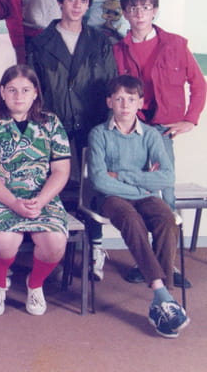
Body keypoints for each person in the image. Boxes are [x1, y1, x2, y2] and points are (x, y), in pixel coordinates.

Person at [113, 0, 206, 286]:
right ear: (125, 13)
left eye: (146, 7)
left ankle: (168, 263)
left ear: (154, 10)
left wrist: (190, 120)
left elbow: (199, 85)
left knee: (165, 194)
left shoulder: (176, 44)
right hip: (132, 129)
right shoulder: (118, 49)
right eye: (133, 8)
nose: (140, 14)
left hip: (164, 130)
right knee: (139, 194)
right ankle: (146, 262)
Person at [27, 0, 117, 280]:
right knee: (54, 187)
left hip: (92, 123)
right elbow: (34, 89)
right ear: (60, 2)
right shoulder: (40, 42)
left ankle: (95, 248)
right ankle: (54, 253)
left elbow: (110, 84)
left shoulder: (99, 41)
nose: (77, 6)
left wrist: (109, 125)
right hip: (54, 126)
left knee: (92, 187)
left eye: (84, 0)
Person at [88, 75, 188, 338]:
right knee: (131, 219)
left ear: (140, 103)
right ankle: (163, 295)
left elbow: (166, 177)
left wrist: (121, 176)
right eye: (119, 99)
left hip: (142, 195)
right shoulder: (99, 134)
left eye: (131, 99)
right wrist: (140, 185)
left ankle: (161, 302)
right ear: (109, 102)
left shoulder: (151, 135)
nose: (125, 105)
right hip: (111, 199)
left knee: (166, 218)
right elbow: (99, 180)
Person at [0, 64, 70, 316]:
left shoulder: (51, 123)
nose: (19, 96)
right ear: (2, 92)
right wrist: (13, 203)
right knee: (5, 243)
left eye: (25, 90)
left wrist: (41, 200)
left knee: (55, 244)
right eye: (12, 90)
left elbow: (61, 170)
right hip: (3, 196)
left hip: (44, 196)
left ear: (35, 92)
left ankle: (35, 285)